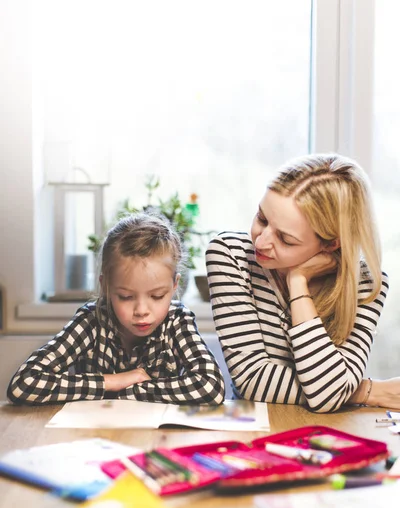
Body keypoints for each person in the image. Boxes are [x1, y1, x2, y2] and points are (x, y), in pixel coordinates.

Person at [206, 153, 398, 413]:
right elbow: (252, 380)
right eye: (262, 218)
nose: (260, 242)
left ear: (331, 244)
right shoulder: (231, 255)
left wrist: (298, 282)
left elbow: (328, 395)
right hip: (255, 429)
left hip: (329, 430)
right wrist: (364, 391)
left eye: (285, 239)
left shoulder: (365, 285)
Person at [8, 213, 225, 405]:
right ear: (106, 286)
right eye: (126, 297)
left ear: (174, 286)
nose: (141, 310)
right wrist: (112, 381)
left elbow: (211, 386)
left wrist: (128, 392)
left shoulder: (177, 320)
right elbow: (24, 383)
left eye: (157, 296)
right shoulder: (91, 321)